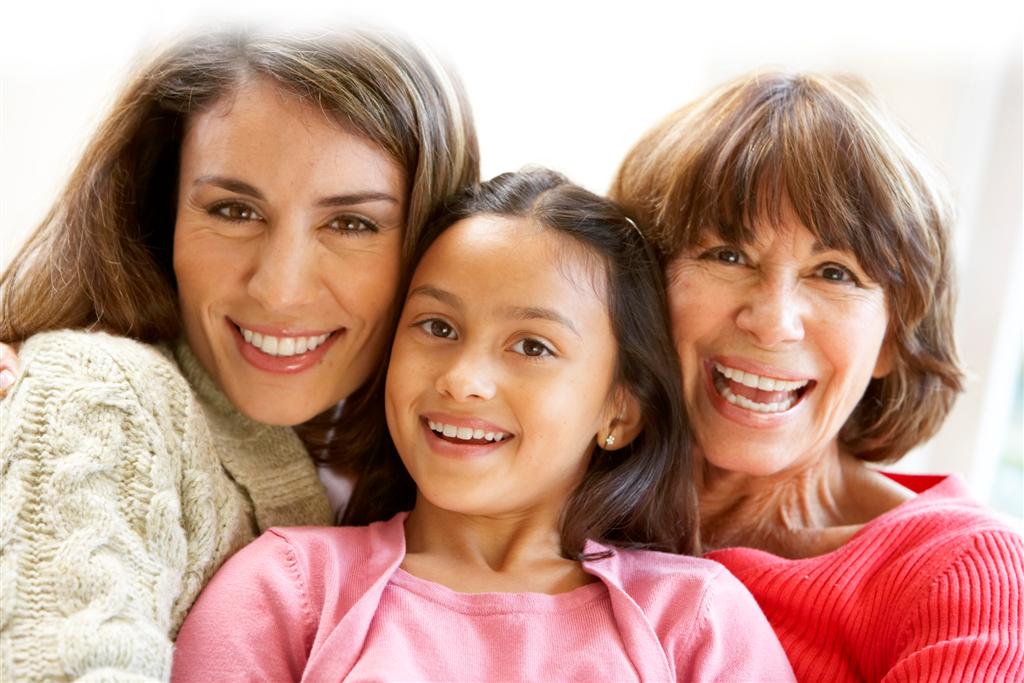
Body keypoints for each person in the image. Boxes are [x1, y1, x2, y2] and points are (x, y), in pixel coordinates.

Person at [169, 169, 796, 682]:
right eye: (438, 328)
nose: (464, 379)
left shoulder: (695, 622)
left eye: (531, 347)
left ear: (620, 411)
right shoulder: (289, 590)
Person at [0, 29, 478, 681]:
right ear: (158, 211)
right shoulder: (103, 396)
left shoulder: (456, 451)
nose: (280, 289)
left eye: (351, 223)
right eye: (234, 210)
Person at [611, 71, 1023, 681]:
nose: (773, 322)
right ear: (640, 287)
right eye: (727, 255)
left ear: (893, 334)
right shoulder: (551, 504)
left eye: (835, 273)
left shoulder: (966, 573)